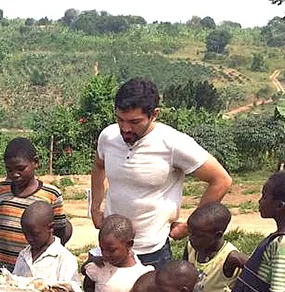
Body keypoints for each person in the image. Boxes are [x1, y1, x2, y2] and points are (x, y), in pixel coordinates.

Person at [89, 78, 232, 267]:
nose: (125, 128)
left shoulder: (173, 143)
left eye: (134, 122)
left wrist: (191, 226)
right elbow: (99, 166)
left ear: (154, 114)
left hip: (151, 252)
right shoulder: (108, 136)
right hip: (110, 247)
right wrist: (95, 207)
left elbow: (221, 180)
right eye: (120, 120)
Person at [0, 137, 70, 273]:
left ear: (35, 162)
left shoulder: (51, 194)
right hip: (0, 271)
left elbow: (60, 232)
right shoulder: (0, 190)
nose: (15, 174)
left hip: (31, 273)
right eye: (9, 170)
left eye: (20, 168)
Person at [184, 202, 248, 292]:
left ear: (218, 235)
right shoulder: (191, 248)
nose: (191, 238)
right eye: (190, 233)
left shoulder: (230, 258)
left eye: (198, 236)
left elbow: (258, 268)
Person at [12, 201, 80, 288]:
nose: (29, 238)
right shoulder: (23, 255)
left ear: (51, 228)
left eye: (34, 234)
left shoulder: (63, 258)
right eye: (25, 234)